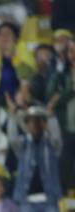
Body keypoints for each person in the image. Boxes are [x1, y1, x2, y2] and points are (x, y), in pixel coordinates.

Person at [6, 104, 63, 212]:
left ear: (44, 124)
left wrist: (51, 118)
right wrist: (12, 117)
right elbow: (11, 139)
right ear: (27, 125)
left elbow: (57, 137)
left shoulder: (52, 145)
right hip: (26, 200)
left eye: (39, 121)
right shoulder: (23, 144)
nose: (35, 125)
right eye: (31, 122)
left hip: (49, 199)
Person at [0, 22, 35, 102]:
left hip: (20, 97)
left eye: (8, 34)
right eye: (1, 35)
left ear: (15, 38)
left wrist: (13, 57)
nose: (5, 38)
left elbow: (30, 73)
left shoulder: (22, 49)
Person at [47, 39, 75, 191]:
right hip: (66, 131)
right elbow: (50, 98)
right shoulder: (61, 76)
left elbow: (57, 98)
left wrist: (61, 96)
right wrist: (70, 91)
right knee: (65, 174)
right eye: (71, 51)